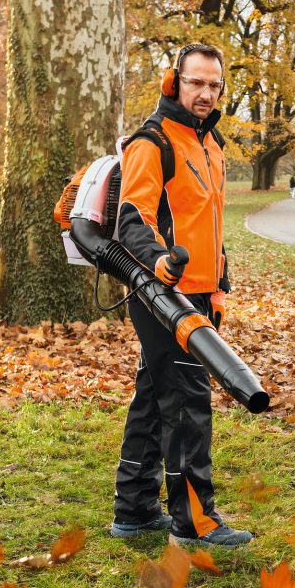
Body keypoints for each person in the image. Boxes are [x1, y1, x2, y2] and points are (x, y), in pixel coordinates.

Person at [109, 43, 253, 547]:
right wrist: (160, 261)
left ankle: (133, 509)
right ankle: (196, 521)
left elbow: (206, 219)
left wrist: (220, 280)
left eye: (214, 85)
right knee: (189, 405)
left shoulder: (209, 143)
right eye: (196, 82)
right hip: (164, 296)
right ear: (174, 82)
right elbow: (133, 218)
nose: (206, 93)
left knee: (154, 398)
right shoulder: (154, 142)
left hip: (201, 292)